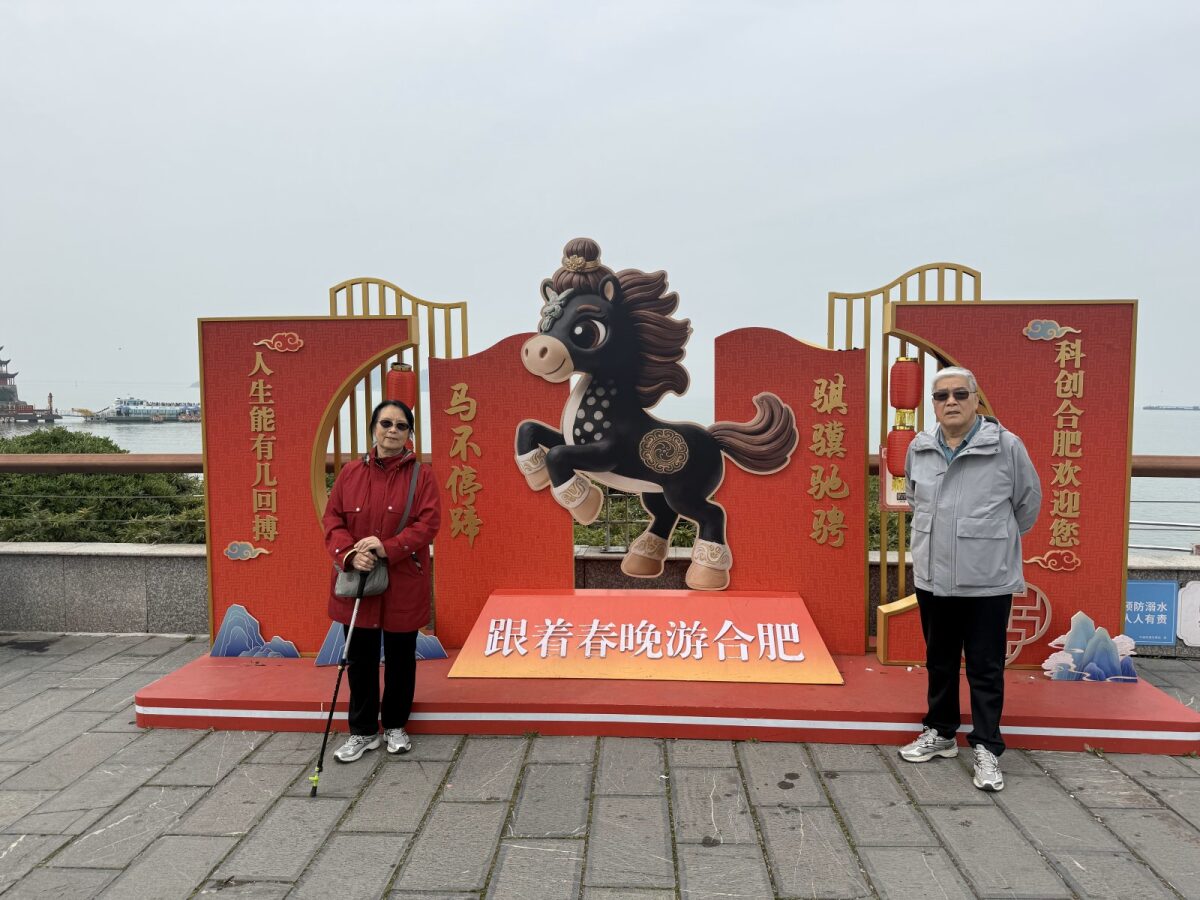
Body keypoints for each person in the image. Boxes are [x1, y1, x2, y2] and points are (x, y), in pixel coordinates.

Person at [899, 366, 1042, 792]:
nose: (951, 402)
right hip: (933, 578)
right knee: (939, 662)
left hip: (987, 582)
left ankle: (986, 746)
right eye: (941, 396)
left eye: (960, 393)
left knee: (984, 666)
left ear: (976, 399)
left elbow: (1027, 505)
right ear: (934, 404)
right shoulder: (919, 448)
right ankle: (941, 733)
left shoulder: (1006, 447)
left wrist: (985, 543)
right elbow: (912, 497)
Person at [323, 399, 441, 762]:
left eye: (401, 426)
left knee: (402, 658)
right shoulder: (350, 474)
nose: (392, 431)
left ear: (410, 433)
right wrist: (349, 554)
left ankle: (395, 725)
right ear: (374, 428)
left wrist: (387, 546)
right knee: (358, 659)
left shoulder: (423, 477)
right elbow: (333, 521)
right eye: (386, 423)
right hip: (358, 583)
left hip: (403, 581)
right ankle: (361, 731)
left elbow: (428, 524)